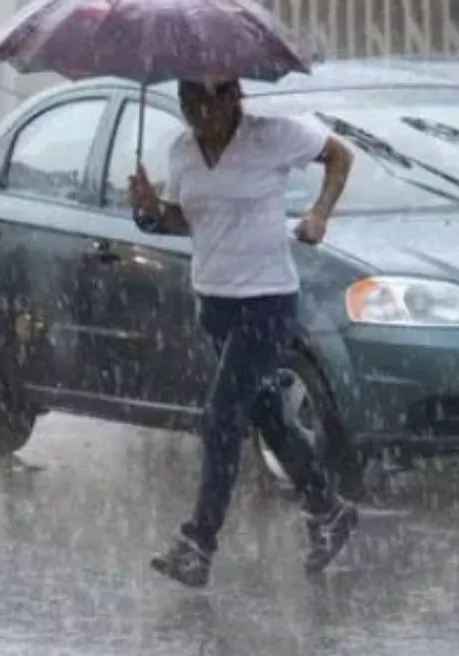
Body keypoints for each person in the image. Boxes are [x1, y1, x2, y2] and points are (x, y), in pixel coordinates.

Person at [129, 77, 357, 588]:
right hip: (215, 302)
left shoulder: (271, 136)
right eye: (187, 103)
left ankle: (198, 543)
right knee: (268, 417)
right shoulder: (182, 152)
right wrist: (149, 207)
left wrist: (319, 214)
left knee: (221, 418)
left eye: (204, 102)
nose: (195, 114)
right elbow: (184, 220)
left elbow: (340, 156)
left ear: (233, 97)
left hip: (267, 301)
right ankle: (329, 509)